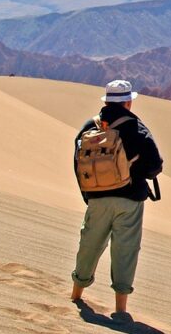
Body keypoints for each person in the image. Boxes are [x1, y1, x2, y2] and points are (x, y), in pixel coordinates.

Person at [70, 79, 163, 320]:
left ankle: (77, 293)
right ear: (128, 102)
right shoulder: (136, 128)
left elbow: (78, 163)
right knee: (125, 250)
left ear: (107, 101)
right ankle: (120, 308)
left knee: (89, 243)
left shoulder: (90, 126)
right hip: (129, 201)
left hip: (97, 198)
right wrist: (135, 172)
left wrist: (89, 194)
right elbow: (155, 166)